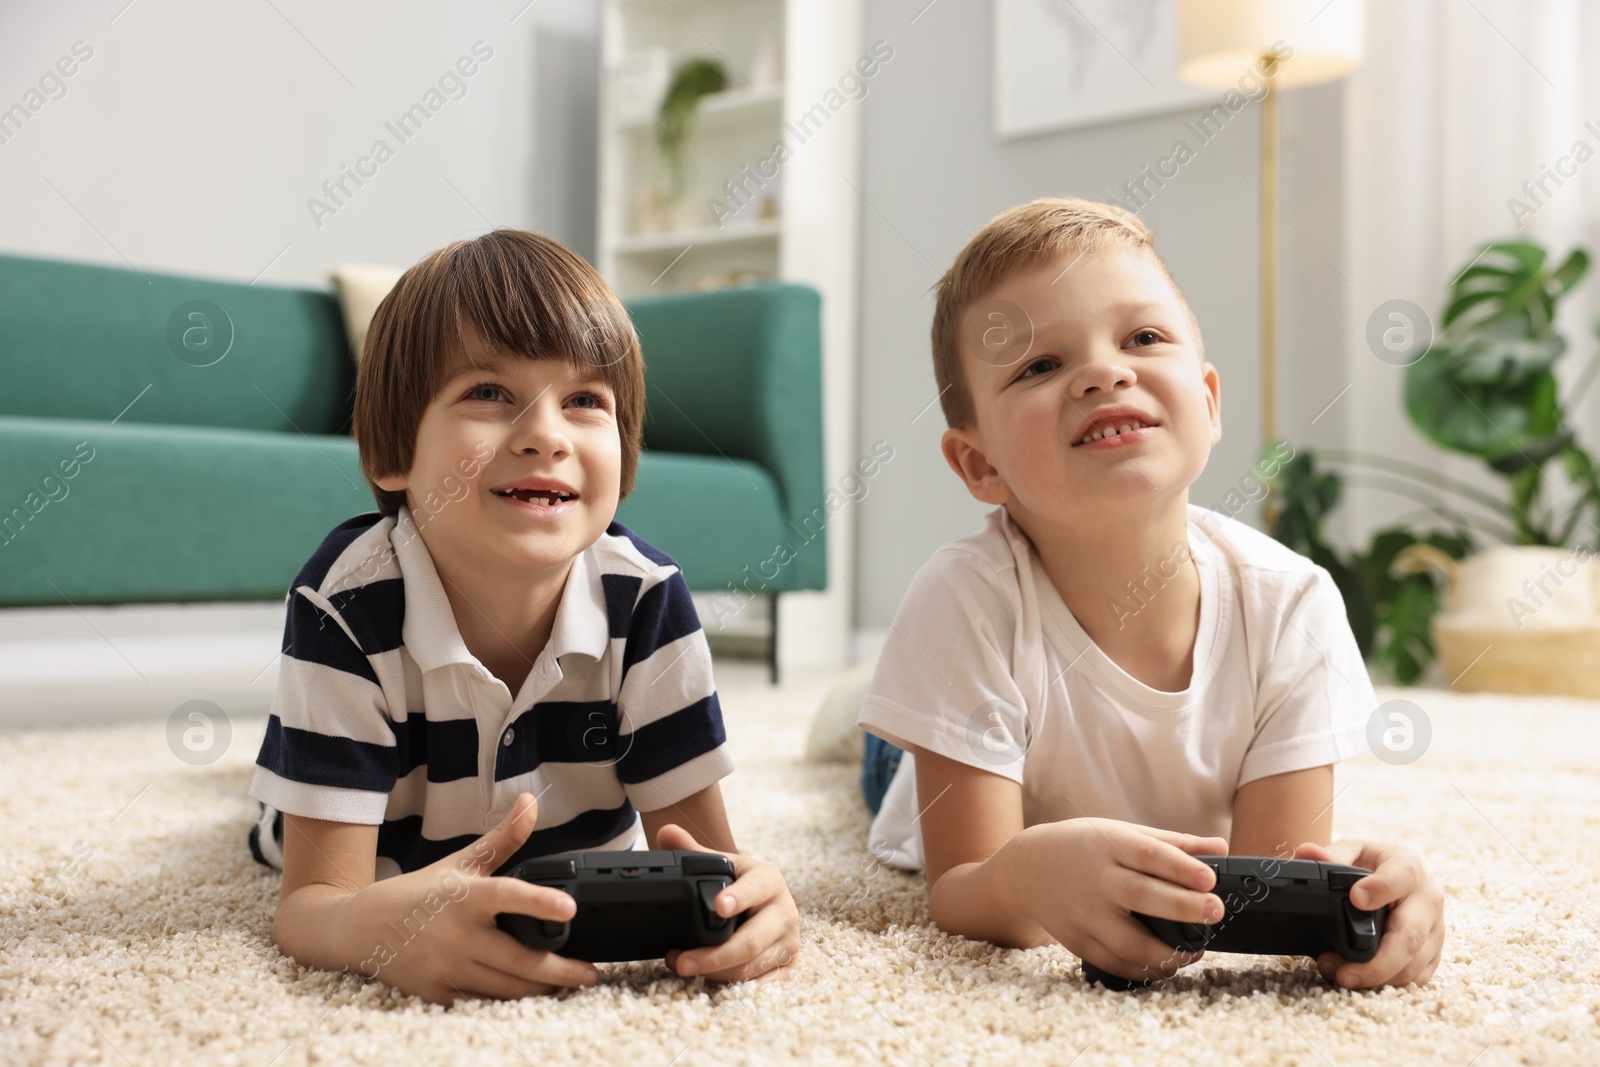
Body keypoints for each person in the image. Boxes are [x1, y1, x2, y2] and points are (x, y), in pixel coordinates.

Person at [856, 198, 1445, 988]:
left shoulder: (1293, 604)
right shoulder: (962, 599)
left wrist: (1365, 895)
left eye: (1143, 338)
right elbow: (960, 886)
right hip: (965, 751)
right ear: (979, 466)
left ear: (1207, 400)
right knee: (874, 748)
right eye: (1039, 365)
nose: (1105, 372)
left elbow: (1267, 881)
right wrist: (1025, 872)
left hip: (1007, 715)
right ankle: (861, 707)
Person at [249, 230, 799, 1004]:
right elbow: (312, 907)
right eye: (488, 393)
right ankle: (288, 771)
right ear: (392, 456)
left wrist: (753, 906)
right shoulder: (343, 606)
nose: (546, 434)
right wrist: (380, 932)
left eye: (584, 401)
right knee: (282, 813)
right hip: (374, 844)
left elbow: (711, 861)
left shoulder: (645, 599)